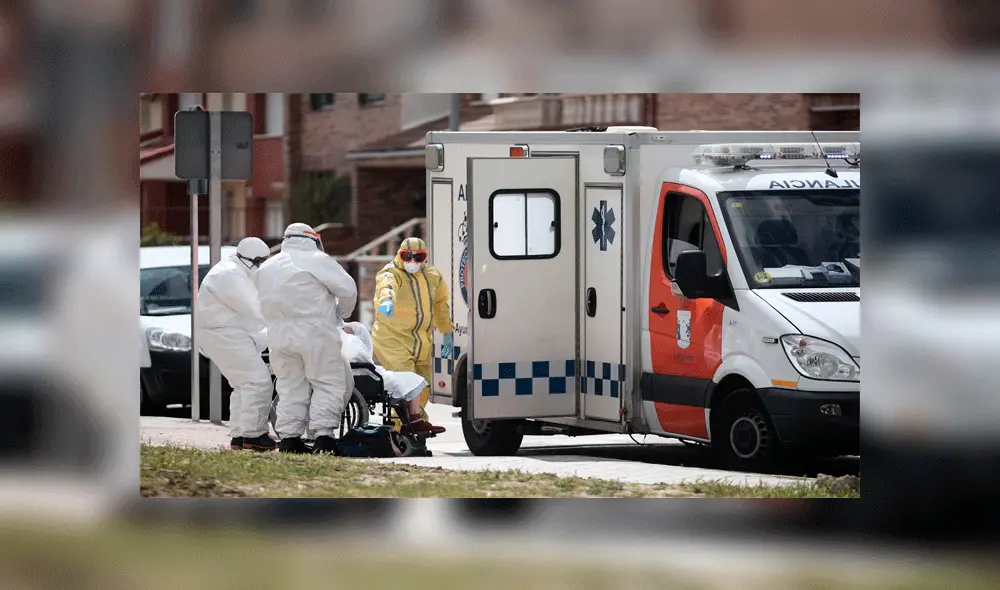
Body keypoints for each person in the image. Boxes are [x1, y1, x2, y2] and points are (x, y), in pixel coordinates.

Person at [256, 223, 357, 454]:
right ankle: (323, 438)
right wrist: (342, 314)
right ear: (313, 239)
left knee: (290, 386)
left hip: (279, 336)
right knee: (327, 382)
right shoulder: (317, 259)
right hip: (316, 333)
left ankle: (290, 439)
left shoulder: (267, 266)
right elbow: (348, 290)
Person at [196, 236, 275, 451]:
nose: (260, 267)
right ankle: (254, 436)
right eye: (259, 262)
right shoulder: (229, 275)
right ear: (249, 259)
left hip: (225, 335)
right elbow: (257, 308)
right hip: (225, 336)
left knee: (243, 385)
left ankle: (240, 436)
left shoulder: (233, 270)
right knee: (258, 382)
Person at [371, 237, 452, 433]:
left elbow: (441, 304)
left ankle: (415, 423)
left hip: (421, 340)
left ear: (425, 257)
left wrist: (446, 330)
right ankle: (398, 429)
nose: (413, 261)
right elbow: (386, 287)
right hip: (393, 338)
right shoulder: (391, 273)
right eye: (407, 256)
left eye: (418, 257)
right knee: (405, 382)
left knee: (422, 384)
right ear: (399, 255)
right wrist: (386, 301)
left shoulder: (433, 276)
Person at [341, 322, 445, 434]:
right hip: (366, 377)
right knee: (413, 380)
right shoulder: (348, 341)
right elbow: (361, 358)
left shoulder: (338, 339)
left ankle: (410, 421)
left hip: (361, 375)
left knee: (407, 384)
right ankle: (414, 420)